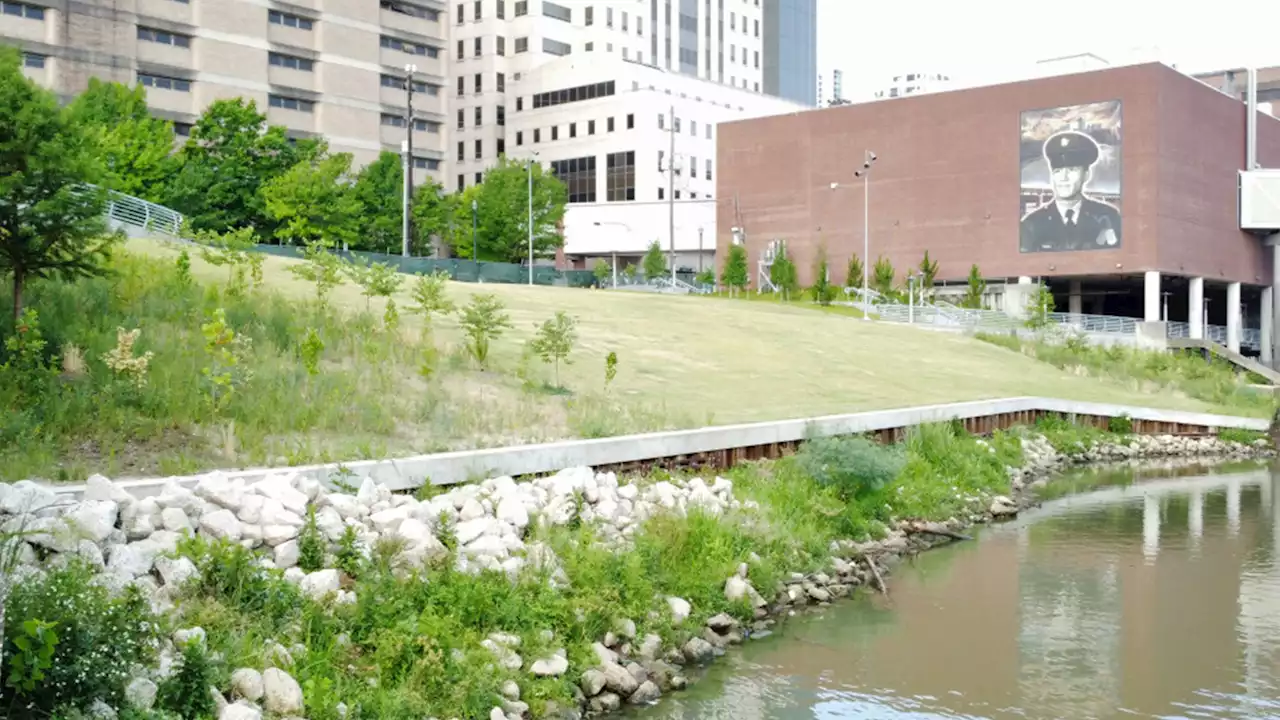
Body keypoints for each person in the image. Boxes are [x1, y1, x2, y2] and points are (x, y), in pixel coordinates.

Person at [1019, 130, 1121, 253]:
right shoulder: (1031, 224)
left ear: (1086, 175)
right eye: (1058, 171)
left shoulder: (1107, 217)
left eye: (1072, 170)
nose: (1064, 178)